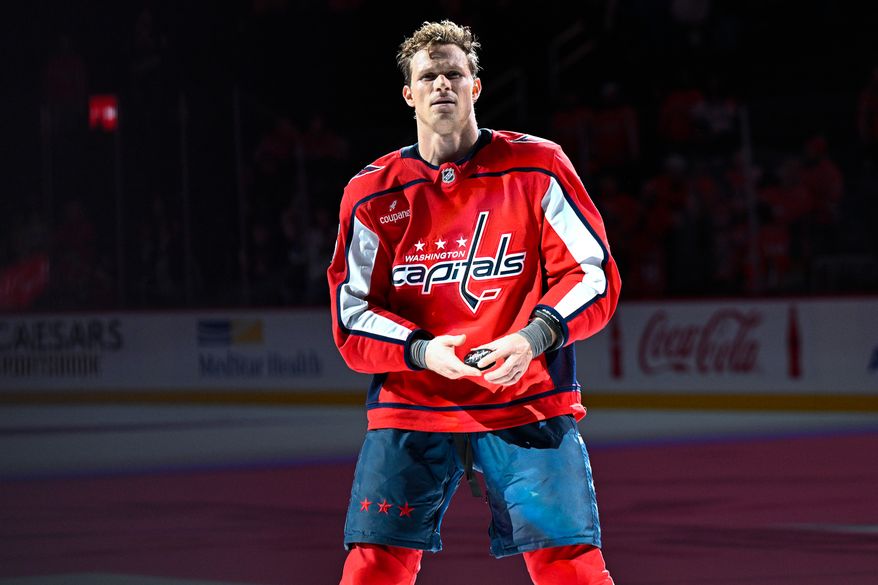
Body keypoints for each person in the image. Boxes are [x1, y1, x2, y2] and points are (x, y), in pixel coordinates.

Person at [327, 20, 621, 585]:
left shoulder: (539, 167)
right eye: (429, 76)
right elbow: (350, 315)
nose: (442, 85)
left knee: (571, 568)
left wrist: (531, 338)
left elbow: (595, 276)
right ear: (409, 94)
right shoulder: (370, 192)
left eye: (453, 74)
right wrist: (421, 351)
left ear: (476, 87)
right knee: (372, 569)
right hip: (412, 406)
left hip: (527, 401)